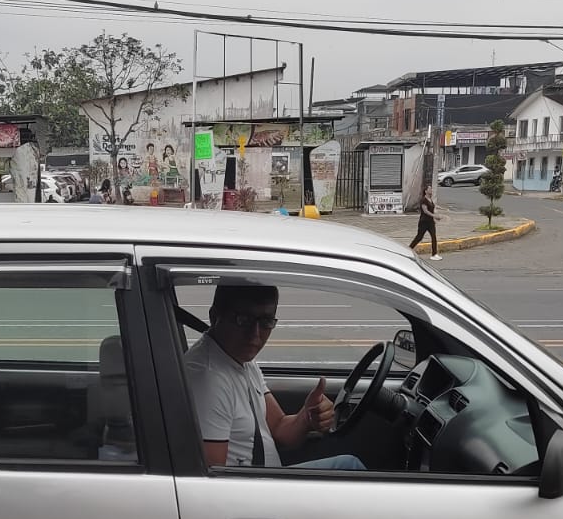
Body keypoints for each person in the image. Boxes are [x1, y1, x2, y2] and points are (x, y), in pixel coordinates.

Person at [183, 284, 365, 471]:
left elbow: (279, 427)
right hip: (254, 486)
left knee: (350, 466)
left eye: (266, 322)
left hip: (267, 477)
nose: (255, 334)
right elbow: (211, 477)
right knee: (351, 467)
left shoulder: (240, 359)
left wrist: (307, 417)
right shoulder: (207, 378)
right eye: (243, 320)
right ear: (214, 317)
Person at [409, 183, 442, 260]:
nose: (431, 190)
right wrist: (434, 216)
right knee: (419, 237)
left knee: (433, 237)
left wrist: (436, 216)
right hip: (423, 222)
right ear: (426, 191)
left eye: (431, 189)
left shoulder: (430, 200)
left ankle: (434, 254)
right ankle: (409, 249)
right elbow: (425, 211)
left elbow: (432, 210)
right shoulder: (423, 200)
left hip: (430, 222)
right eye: (429, 189)